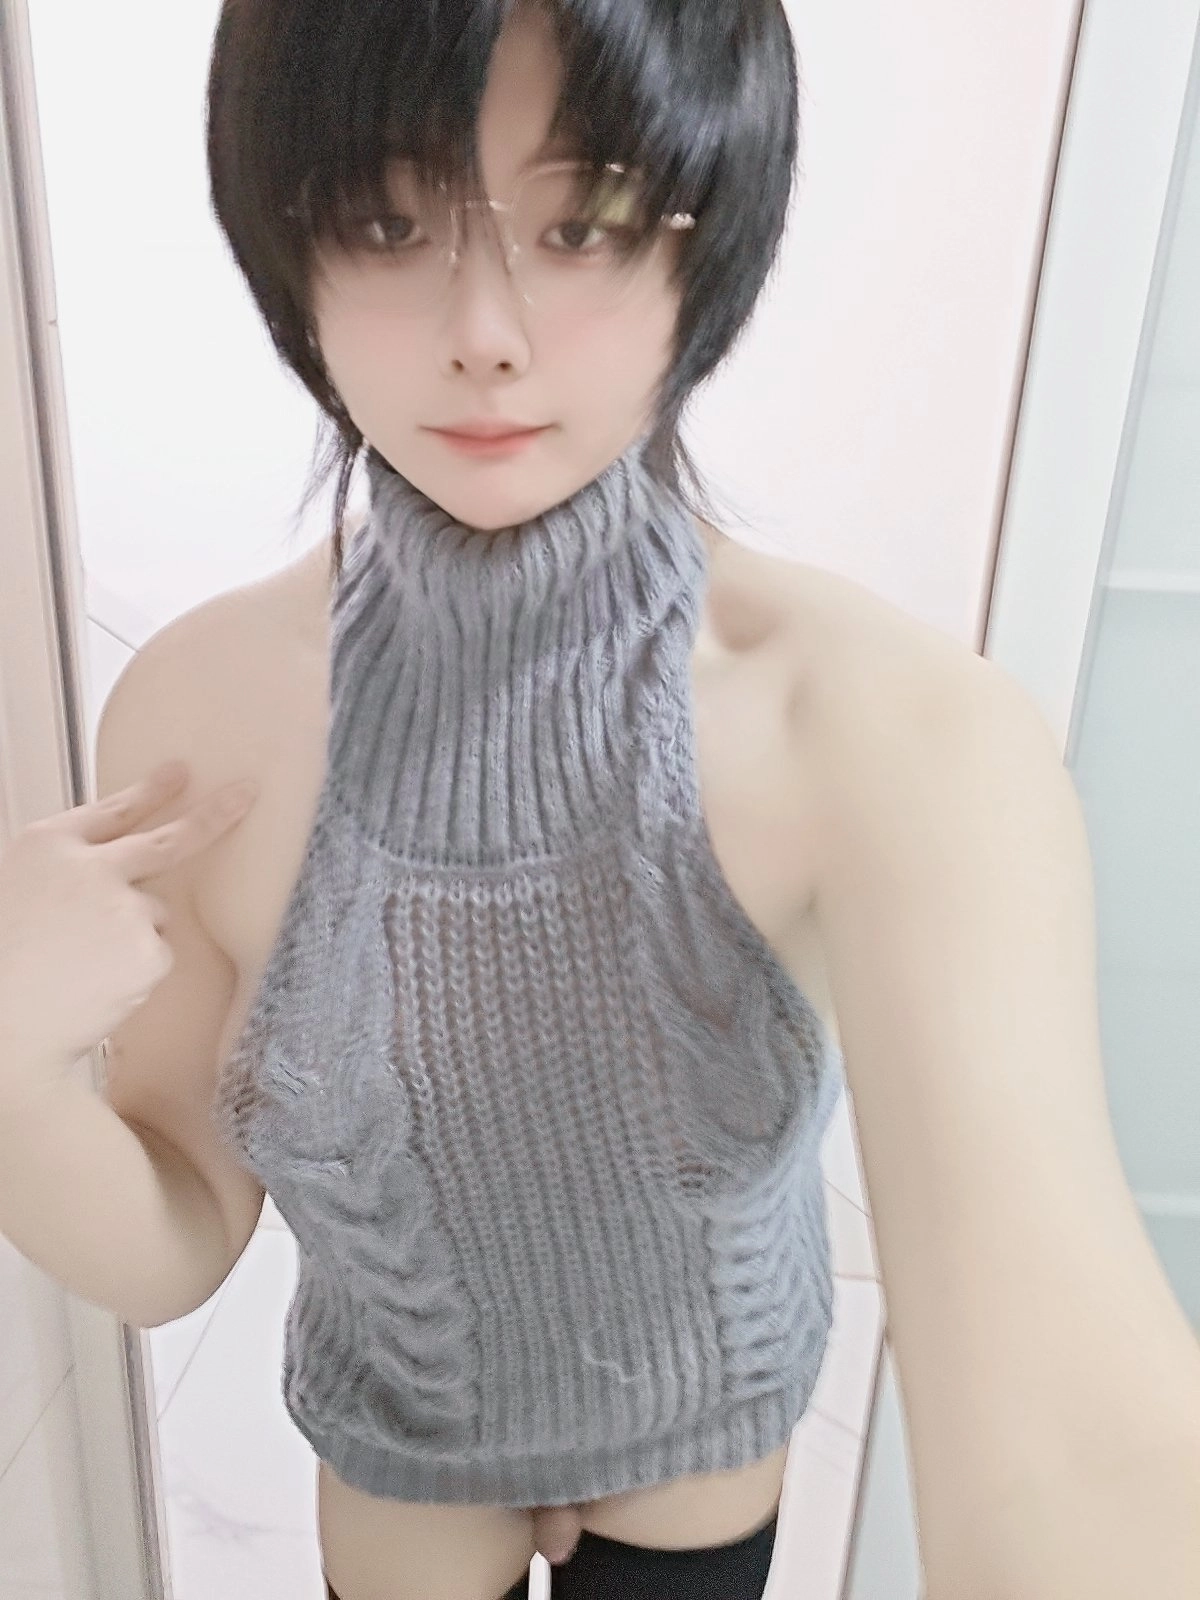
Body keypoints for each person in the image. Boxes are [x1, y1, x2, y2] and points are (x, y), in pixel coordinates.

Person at [5, 3, 1200, 1600]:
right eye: (385, 220)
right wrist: (11, 1072)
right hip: (399, 1460)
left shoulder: (884, 731)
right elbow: (175, 1235)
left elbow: (1067, 1439)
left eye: (587, 221)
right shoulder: (197, 714)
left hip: (697, 1449)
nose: (485, 328)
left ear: (713, 237)